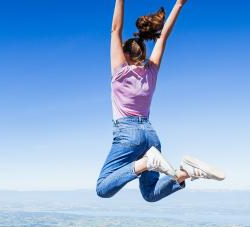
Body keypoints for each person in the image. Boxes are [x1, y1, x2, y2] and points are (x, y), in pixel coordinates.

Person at [96, 0, 225, 201]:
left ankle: (147, 162)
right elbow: (163, 36)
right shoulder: (152, 71)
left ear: (126, 54)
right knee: (150, 194)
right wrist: (179, 4)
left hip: (128, 134)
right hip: (150, 136)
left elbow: (115, 30)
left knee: (103, 188)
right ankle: (185, 172)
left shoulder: (120, 70)